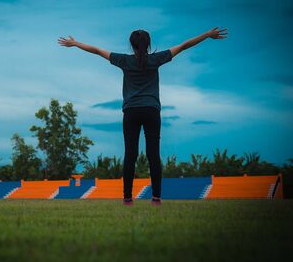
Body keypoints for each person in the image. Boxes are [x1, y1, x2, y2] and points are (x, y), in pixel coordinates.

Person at [57, 27, 228, 206]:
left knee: (130, 154)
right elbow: (184, 46)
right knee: (153, 154)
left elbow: (98, 51)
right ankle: (156, 198)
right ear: (148, 44)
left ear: (132, 45)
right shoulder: (156, 59)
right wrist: (207, 35)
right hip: (151, 111)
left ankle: (127, 198)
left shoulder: (124, 60)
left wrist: (75, 44)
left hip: (131, 111)